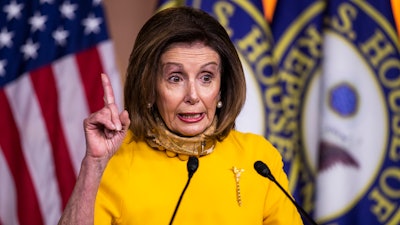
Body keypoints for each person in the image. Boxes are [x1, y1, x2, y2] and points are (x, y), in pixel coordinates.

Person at [58, 6, 304, 225]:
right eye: (175, 78)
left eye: (206, 77)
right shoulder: (115, 161)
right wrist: (94, 165)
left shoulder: (258, 159)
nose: (193, 96)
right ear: (149, 87)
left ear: (223, 86)